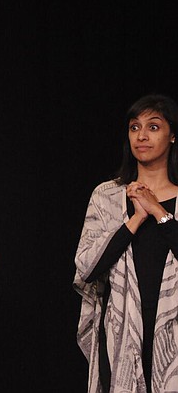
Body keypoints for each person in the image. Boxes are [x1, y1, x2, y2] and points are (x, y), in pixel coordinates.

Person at [74, 94, 178, 393]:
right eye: (134, 127)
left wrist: (158, 210)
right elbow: (87, 267)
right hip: (121, 333)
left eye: (153, 127)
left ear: (173, 136)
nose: (142, 136)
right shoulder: (107, 195)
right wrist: (135, 219)